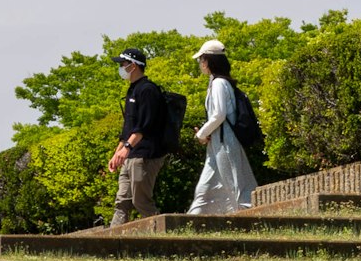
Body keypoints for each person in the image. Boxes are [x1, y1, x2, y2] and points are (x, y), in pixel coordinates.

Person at [109, 48, 183, 226]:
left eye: (122, 64)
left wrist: (126, 149)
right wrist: (117, 153)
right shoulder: (132, 91)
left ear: (133, 66)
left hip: (147, 154)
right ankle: (112, 241)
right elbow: (128, 127)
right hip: (131, 154)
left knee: (141, 202)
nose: (120, 68)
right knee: (122, 202)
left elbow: (145, 126)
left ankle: (163, 236)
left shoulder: (148, 90)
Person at [186, 39, 260, 216]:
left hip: (226, 143)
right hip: (217, 144)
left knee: (236, 185)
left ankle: (251, 220)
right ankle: (192, 221)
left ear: (209, 61)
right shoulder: (216, 82)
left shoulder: (219, 83)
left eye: (201, 59)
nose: (200, 64)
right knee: (204, 189)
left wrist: (202, 134)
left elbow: (219, 114)